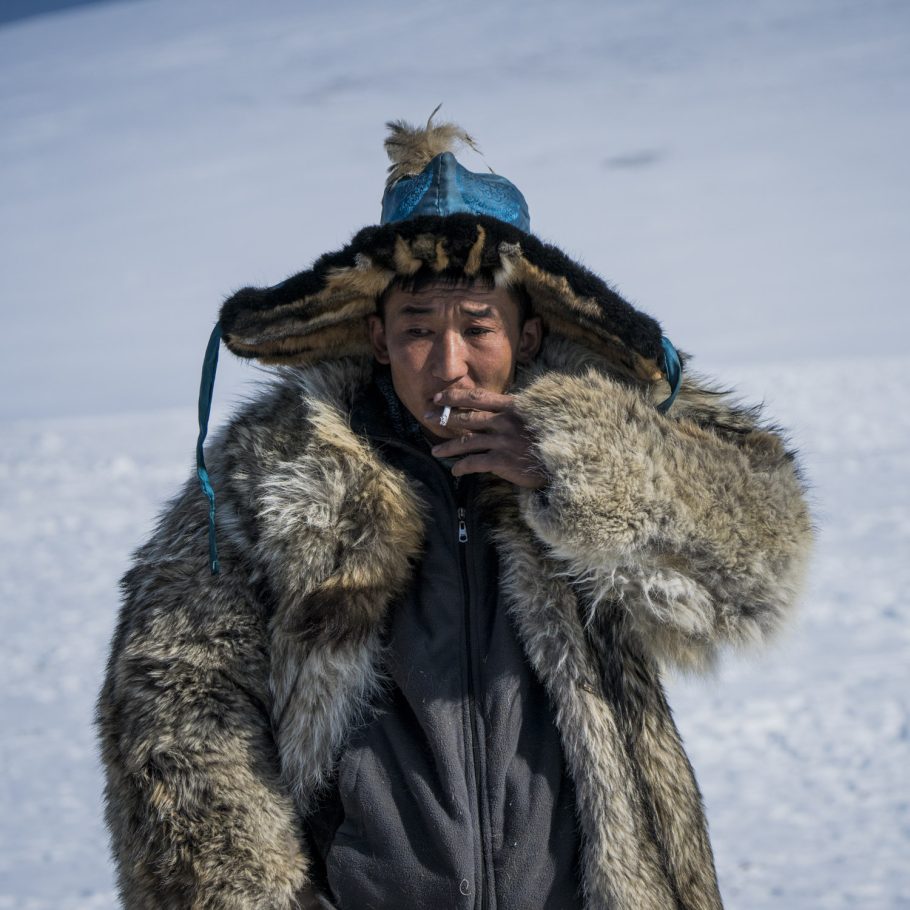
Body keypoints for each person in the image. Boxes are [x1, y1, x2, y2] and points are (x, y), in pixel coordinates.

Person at [97, 111, 814, 910]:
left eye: (478, 327)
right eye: (417, 329)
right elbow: (175, 691)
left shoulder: (615, 443)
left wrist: (581, 471)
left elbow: (759, 567)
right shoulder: (274, 467)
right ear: (378, 338)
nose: (449, 363)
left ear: (526, 335)